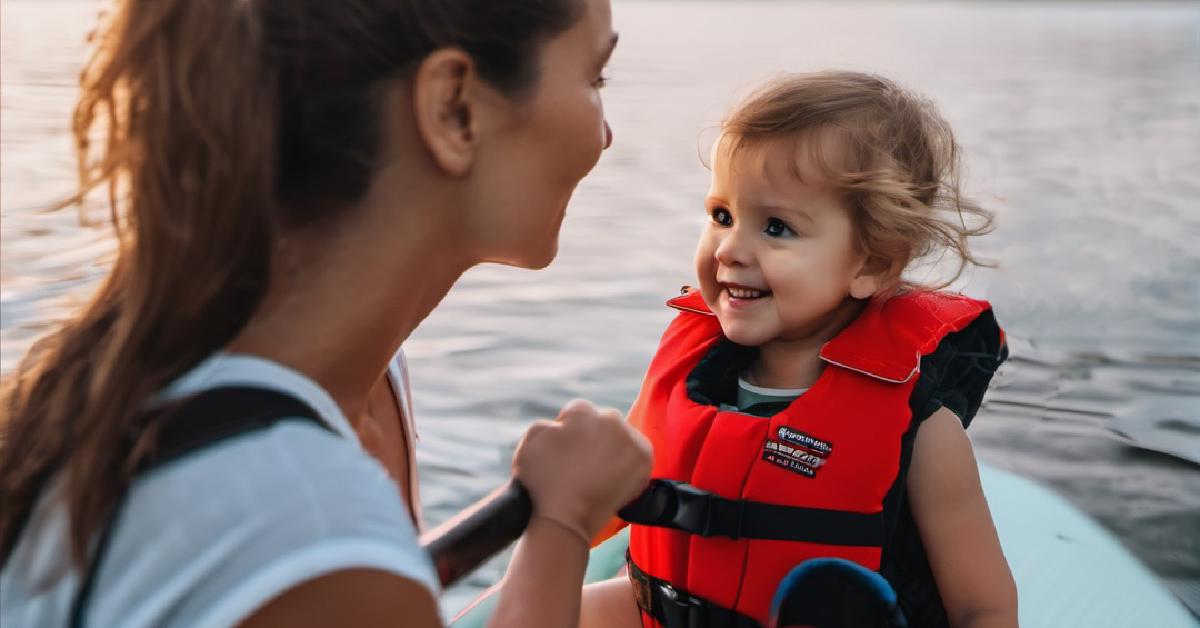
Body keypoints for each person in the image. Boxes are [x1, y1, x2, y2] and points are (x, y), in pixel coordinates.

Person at [0, 0, 652, 626]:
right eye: (594, 77)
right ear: (453, 108)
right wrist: (563, 525)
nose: (606, 134)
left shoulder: (338, 383)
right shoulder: (312, 539)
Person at [580, 72, 1019, 628]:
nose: (732, 248)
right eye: (722, 215)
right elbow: (621, 511)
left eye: (777, 228)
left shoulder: (923, 432)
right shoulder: (685, 378)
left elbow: (984, 608)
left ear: (872, 264)